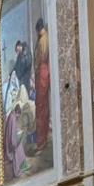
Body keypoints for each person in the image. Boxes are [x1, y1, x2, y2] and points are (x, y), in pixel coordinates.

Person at [32, 18, 51, 150]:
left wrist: (38, 69)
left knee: (41, 107)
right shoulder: (43, 39)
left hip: (42, 73)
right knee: (40, 107)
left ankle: (42, 140)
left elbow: (42, 57)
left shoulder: (43, 39)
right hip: (41, 73)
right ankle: (41, 140)